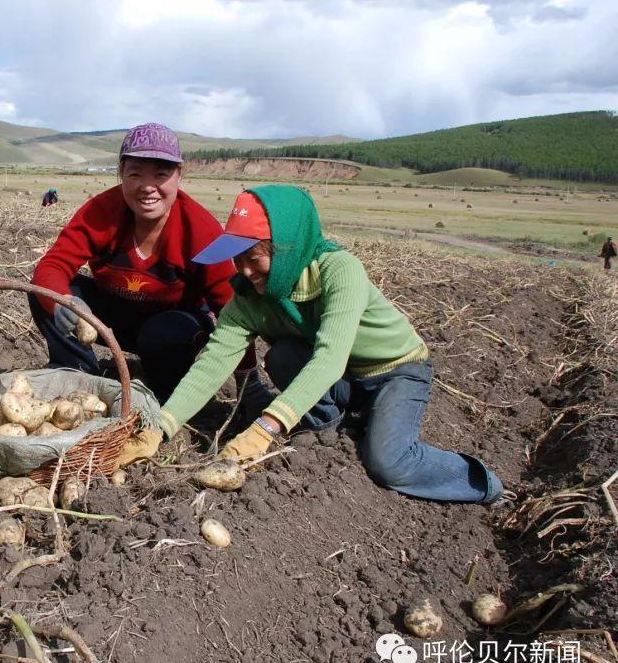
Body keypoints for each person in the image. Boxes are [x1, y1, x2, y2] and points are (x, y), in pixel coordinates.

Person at [139, 185, 505, 504]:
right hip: (343, 379)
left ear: (288, 249)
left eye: (254, 257)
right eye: (238, 259)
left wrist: (267, 428)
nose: (245, 271)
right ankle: (329, 427)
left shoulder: (339, 270)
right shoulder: (249, 299)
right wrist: (161, 426)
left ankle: (484, 484)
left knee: (389, 463)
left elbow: (330, 357)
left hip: (395, 372)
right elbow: (213, 362)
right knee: (283, 358)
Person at [30, 122, 253, 403]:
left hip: (174, 326)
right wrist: (64, 302)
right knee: (46, 293)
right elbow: (52, 267)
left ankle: (165, 394)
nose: (148, 188)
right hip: (115, 317)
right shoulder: (101, 212)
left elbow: (231, 307)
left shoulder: (199, 228)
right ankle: (79, 377)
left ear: (178, 176)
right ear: (121, 173)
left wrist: (249, 378)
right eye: (135, 173)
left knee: (163, 335)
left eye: (161, 174)